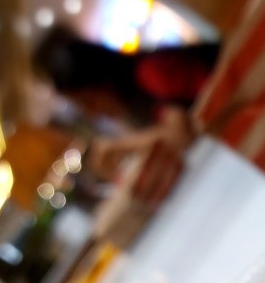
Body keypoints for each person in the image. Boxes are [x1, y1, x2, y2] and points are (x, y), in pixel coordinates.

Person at [34, 26, 221, 205]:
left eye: (89, 101)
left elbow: (181, 137)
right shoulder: (137, 103)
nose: (92, 112)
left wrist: (118, 146)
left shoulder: (150, 71)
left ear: (102, 81)